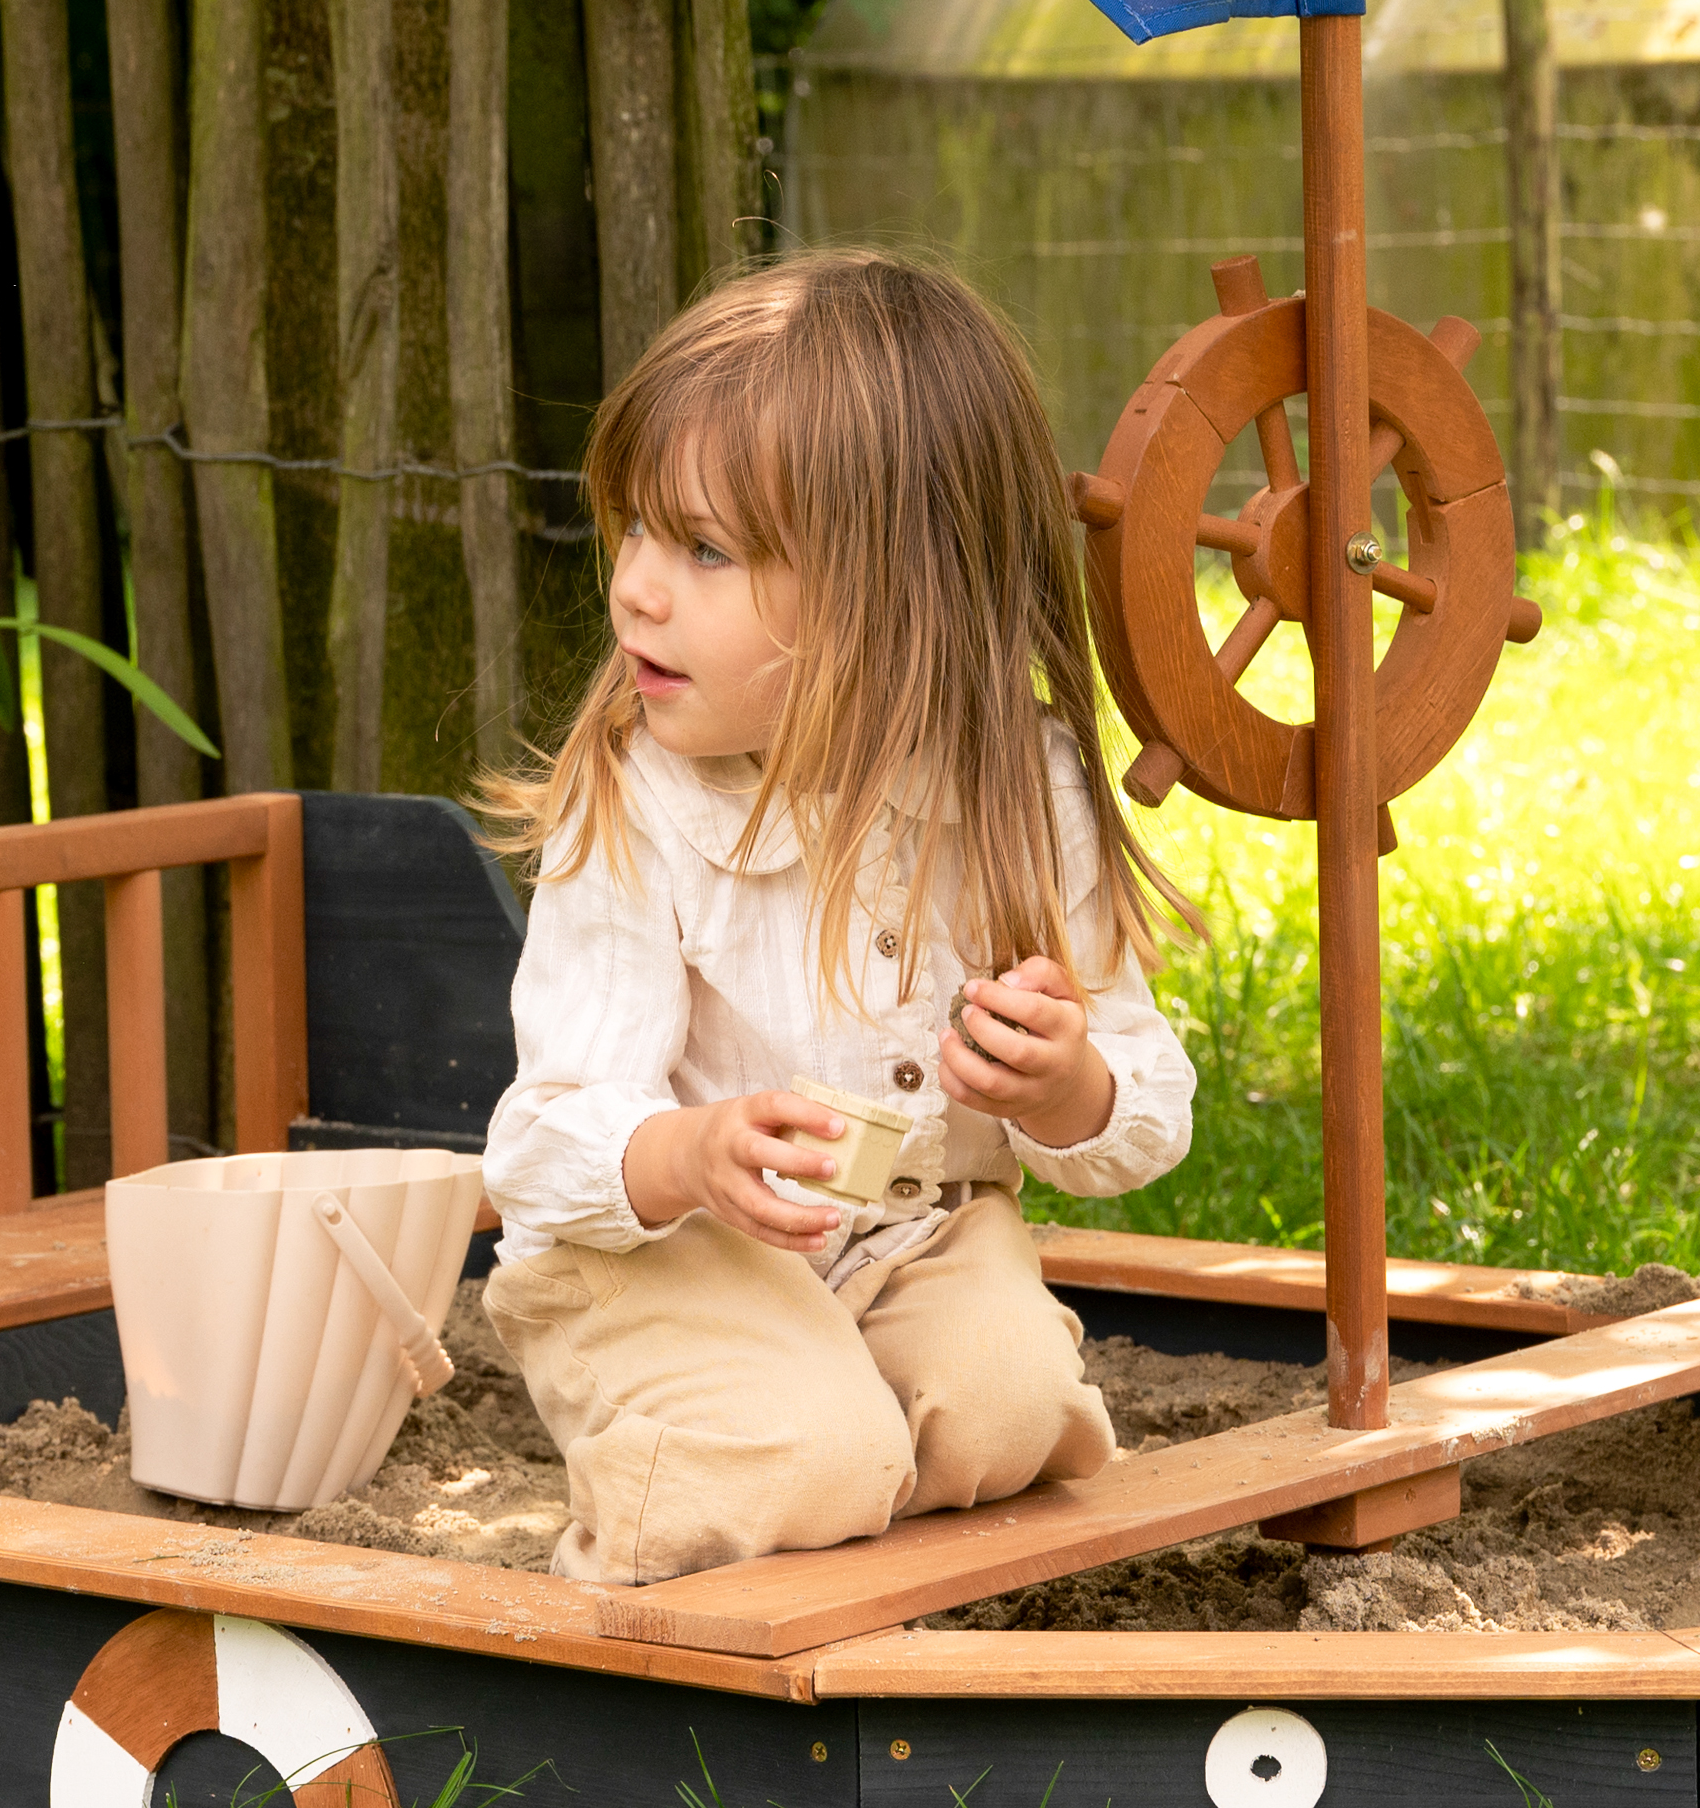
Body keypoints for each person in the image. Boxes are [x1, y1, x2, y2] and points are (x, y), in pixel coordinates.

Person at [475, 250, 1197, 1585]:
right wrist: (688, 1153)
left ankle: (844, 1453)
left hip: (915, 1235)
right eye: (637, 528)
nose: (636, 585)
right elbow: (537, 1146)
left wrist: (1064, 1084)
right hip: (665, 1254)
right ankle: (710, 1521)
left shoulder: (1022, 789)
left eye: (704, 550)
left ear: (891, 595)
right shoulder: (639, 804)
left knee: (1009, 1406)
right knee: (810, 1455)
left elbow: (1143, 1116)